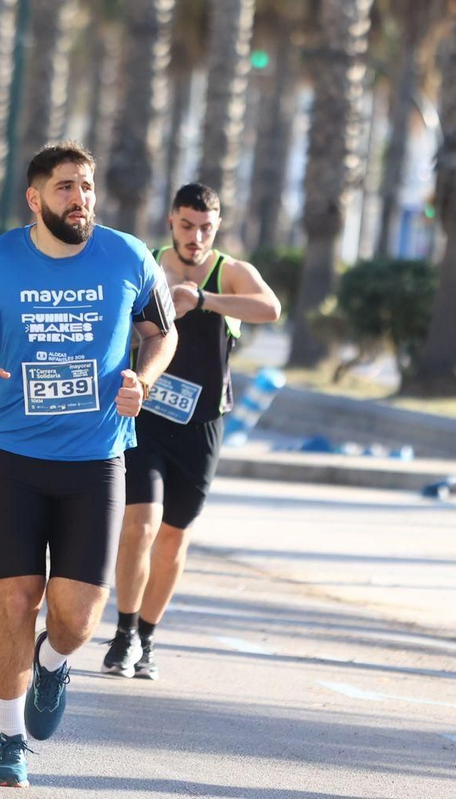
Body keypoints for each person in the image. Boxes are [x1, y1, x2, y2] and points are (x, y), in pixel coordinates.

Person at [0, 141, 176, 788]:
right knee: (15, 598)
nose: (80, 198)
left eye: (86, 186)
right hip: (9, 454)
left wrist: (144, 380)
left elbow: (162, 332)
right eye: (66, 186)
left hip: (95, 461)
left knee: (77, 617)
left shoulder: (129, 256)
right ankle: (10, 738)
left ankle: (54, 661)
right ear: (35, 199)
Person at [102, 183, 281, 682]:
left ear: (216, 227)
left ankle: (148, 637)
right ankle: (123, 633)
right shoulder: (148, 263)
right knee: (140, 524)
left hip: (201, 424)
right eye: (186, 226)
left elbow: (270, 309)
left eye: (205, 228)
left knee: (174, 538)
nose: (195, 237)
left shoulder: (231, 272)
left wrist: (203, 299)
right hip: (145, 418)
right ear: (171, 222)